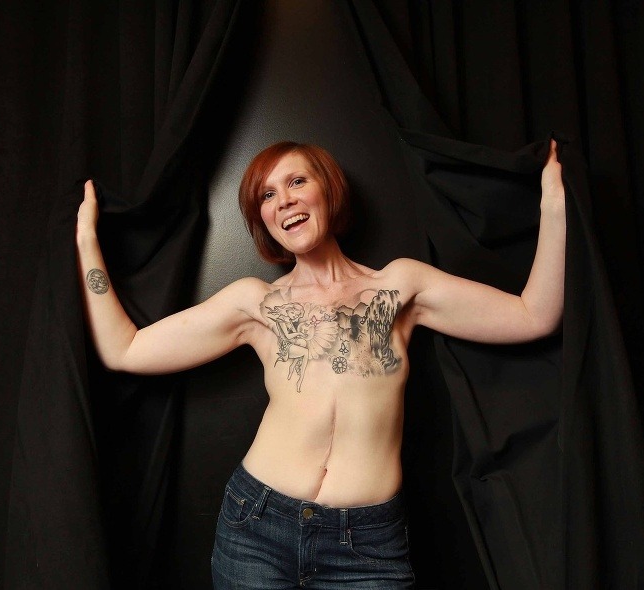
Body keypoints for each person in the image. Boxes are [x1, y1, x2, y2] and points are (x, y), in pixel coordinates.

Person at [76, 139, 566, 589]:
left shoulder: (400, 287)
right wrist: (86, 243)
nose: (283, 201)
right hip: (257, 529)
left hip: (368, 547)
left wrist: (554, 205)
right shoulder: (256, 303)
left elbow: (534, 316)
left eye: (296, 181)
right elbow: (126, 349)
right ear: (262, 219)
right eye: (267, 195)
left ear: (328, 189)